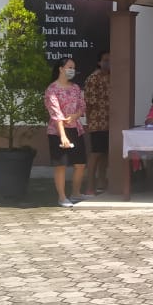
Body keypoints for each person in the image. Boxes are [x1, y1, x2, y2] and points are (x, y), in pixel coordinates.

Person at [45, 57, 88, 207]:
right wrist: (63, 136)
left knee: (80, 163)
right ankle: (62, 197)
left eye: (73, 68)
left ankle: (75, 193)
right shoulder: (52, 89)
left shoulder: (75, 88)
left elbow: (82, 106)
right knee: (61, 165)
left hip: (75, 129)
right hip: (57, 131)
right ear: (61, 69)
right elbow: (56, 114)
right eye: (69, 67)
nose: (72, 70)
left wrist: (76, 115)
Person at [83, 51, 110, 196]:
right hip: (97, 122)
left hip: (111, 122)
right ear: (99, 62)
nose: (108, 63)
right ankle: (90, 186)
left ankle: (102, 183)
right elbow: (89, 103)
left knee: (105, 154)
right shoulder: (93, 78)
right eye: (105, 60)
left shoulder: (112, 77)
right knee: (96, 154)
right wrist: (90, 121)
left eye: (111, 60)